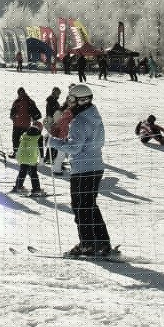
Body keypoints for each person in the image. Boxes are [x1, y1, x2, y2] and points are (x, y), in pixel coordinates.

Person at [47, 83, 111, 257]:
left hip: (83, 169)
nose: (69, 103)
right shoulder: (94, 116)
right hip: (95, 166)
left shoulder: (79, 121)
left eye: (72, 99)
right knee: (90, 205)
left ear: (81, 100)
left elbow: (74, 147)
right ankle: (102, 242)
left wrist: (52, 141)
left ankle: (87, 244)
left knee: (81, 207)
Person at [10, 125, 46, 197]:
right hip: (31, 157)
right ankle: (36, 190)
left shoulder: (24, 135)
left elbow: (19, 144)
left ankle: (18, 186)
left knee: (22, 172)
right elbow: (41, 149)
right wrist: (41, 159)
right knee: (33, 174)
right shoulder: (39, 137)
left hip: (21, 156)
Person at [9, 87, 41, 156]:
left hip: (17, 124)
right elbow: (35, 113)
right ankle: (24, 153)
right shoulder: (30, 101)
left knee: (15, 139)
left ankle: (16, 153)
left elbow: (12, 114)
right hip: (26, 125)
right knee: (25, 139)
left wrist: (14, 119)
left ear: (18, 93)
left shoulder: (16, 102)